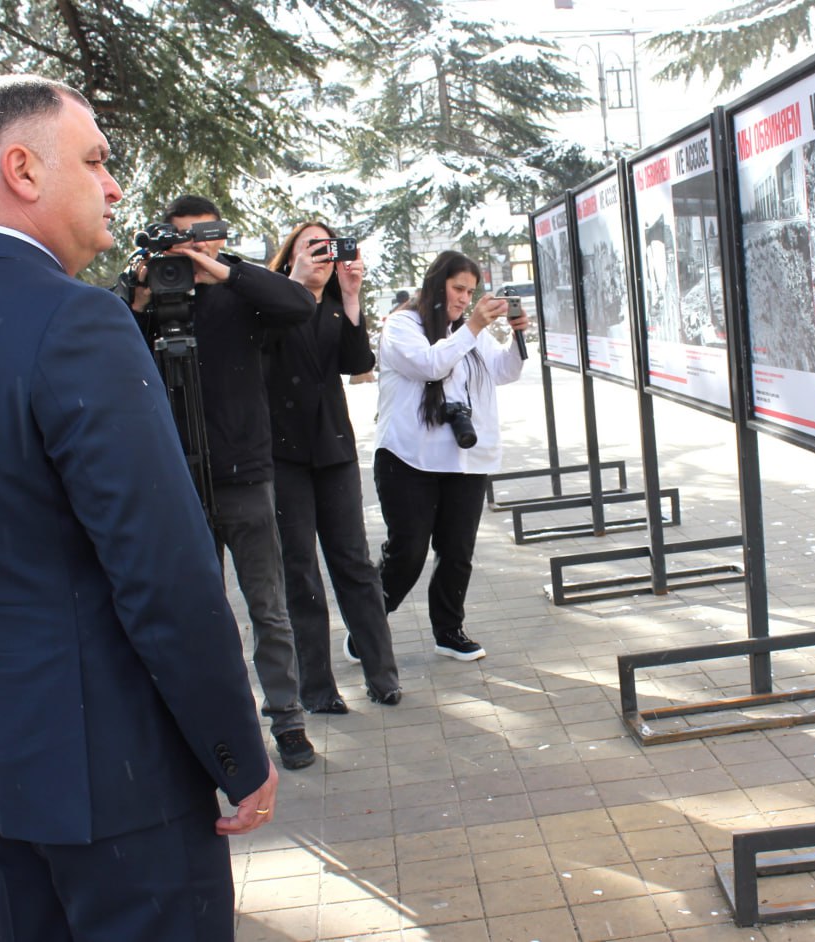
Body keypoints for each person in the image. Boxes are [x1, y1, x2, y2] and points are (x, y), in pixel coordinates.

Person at [0, 75, 276, 942]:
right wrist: (237, 751)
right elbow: (164, 573)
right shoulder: (76, 323)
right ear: (21, 169)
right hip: (113, 787)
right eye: (94, 160)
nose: (115, 186)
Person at [119, 195, 318, 769]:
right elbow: (109, 343)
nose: (190, 249)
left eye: (201, 237)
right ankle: (218, 730)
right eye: (178, 240)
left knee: (268, 609)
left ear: (218, 237)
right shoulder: (153, 297)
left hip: (245, 476)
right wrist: (138, 290)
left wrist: (220, 269)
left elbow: (296, 304)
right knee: (199, 616)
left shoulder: (241, 292)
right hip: (177, 482)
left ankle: (288, 722)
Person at [265, 222, 400, 713]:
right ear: (290, 256)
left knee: (355, 565)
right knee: (300, 571)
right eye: (311, 248)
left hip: (334, 450)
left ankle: (382, 675)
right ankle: (317, 689)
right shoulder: (271, 302)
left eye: (328, 248)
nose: (322, 256)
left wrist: (350, 294)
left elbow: (357, 360)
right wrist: (295, 285)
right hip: (284, 456)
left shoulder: (333, 306)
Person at [374, 250, 529, 662]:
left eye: (471, 291)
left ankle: (449, 631)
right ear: (436, 283)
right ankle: (367, 624)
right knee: (407, 553)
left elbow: (503, 372)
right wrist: (474, 326)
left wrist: (516, 335)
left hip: (464, 460)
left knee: (457, 552)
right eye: (458, 288)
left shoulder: (468, 333)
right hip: (409, 459)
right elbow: (430, 365)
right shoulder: (403, 325)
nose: (464, 298)